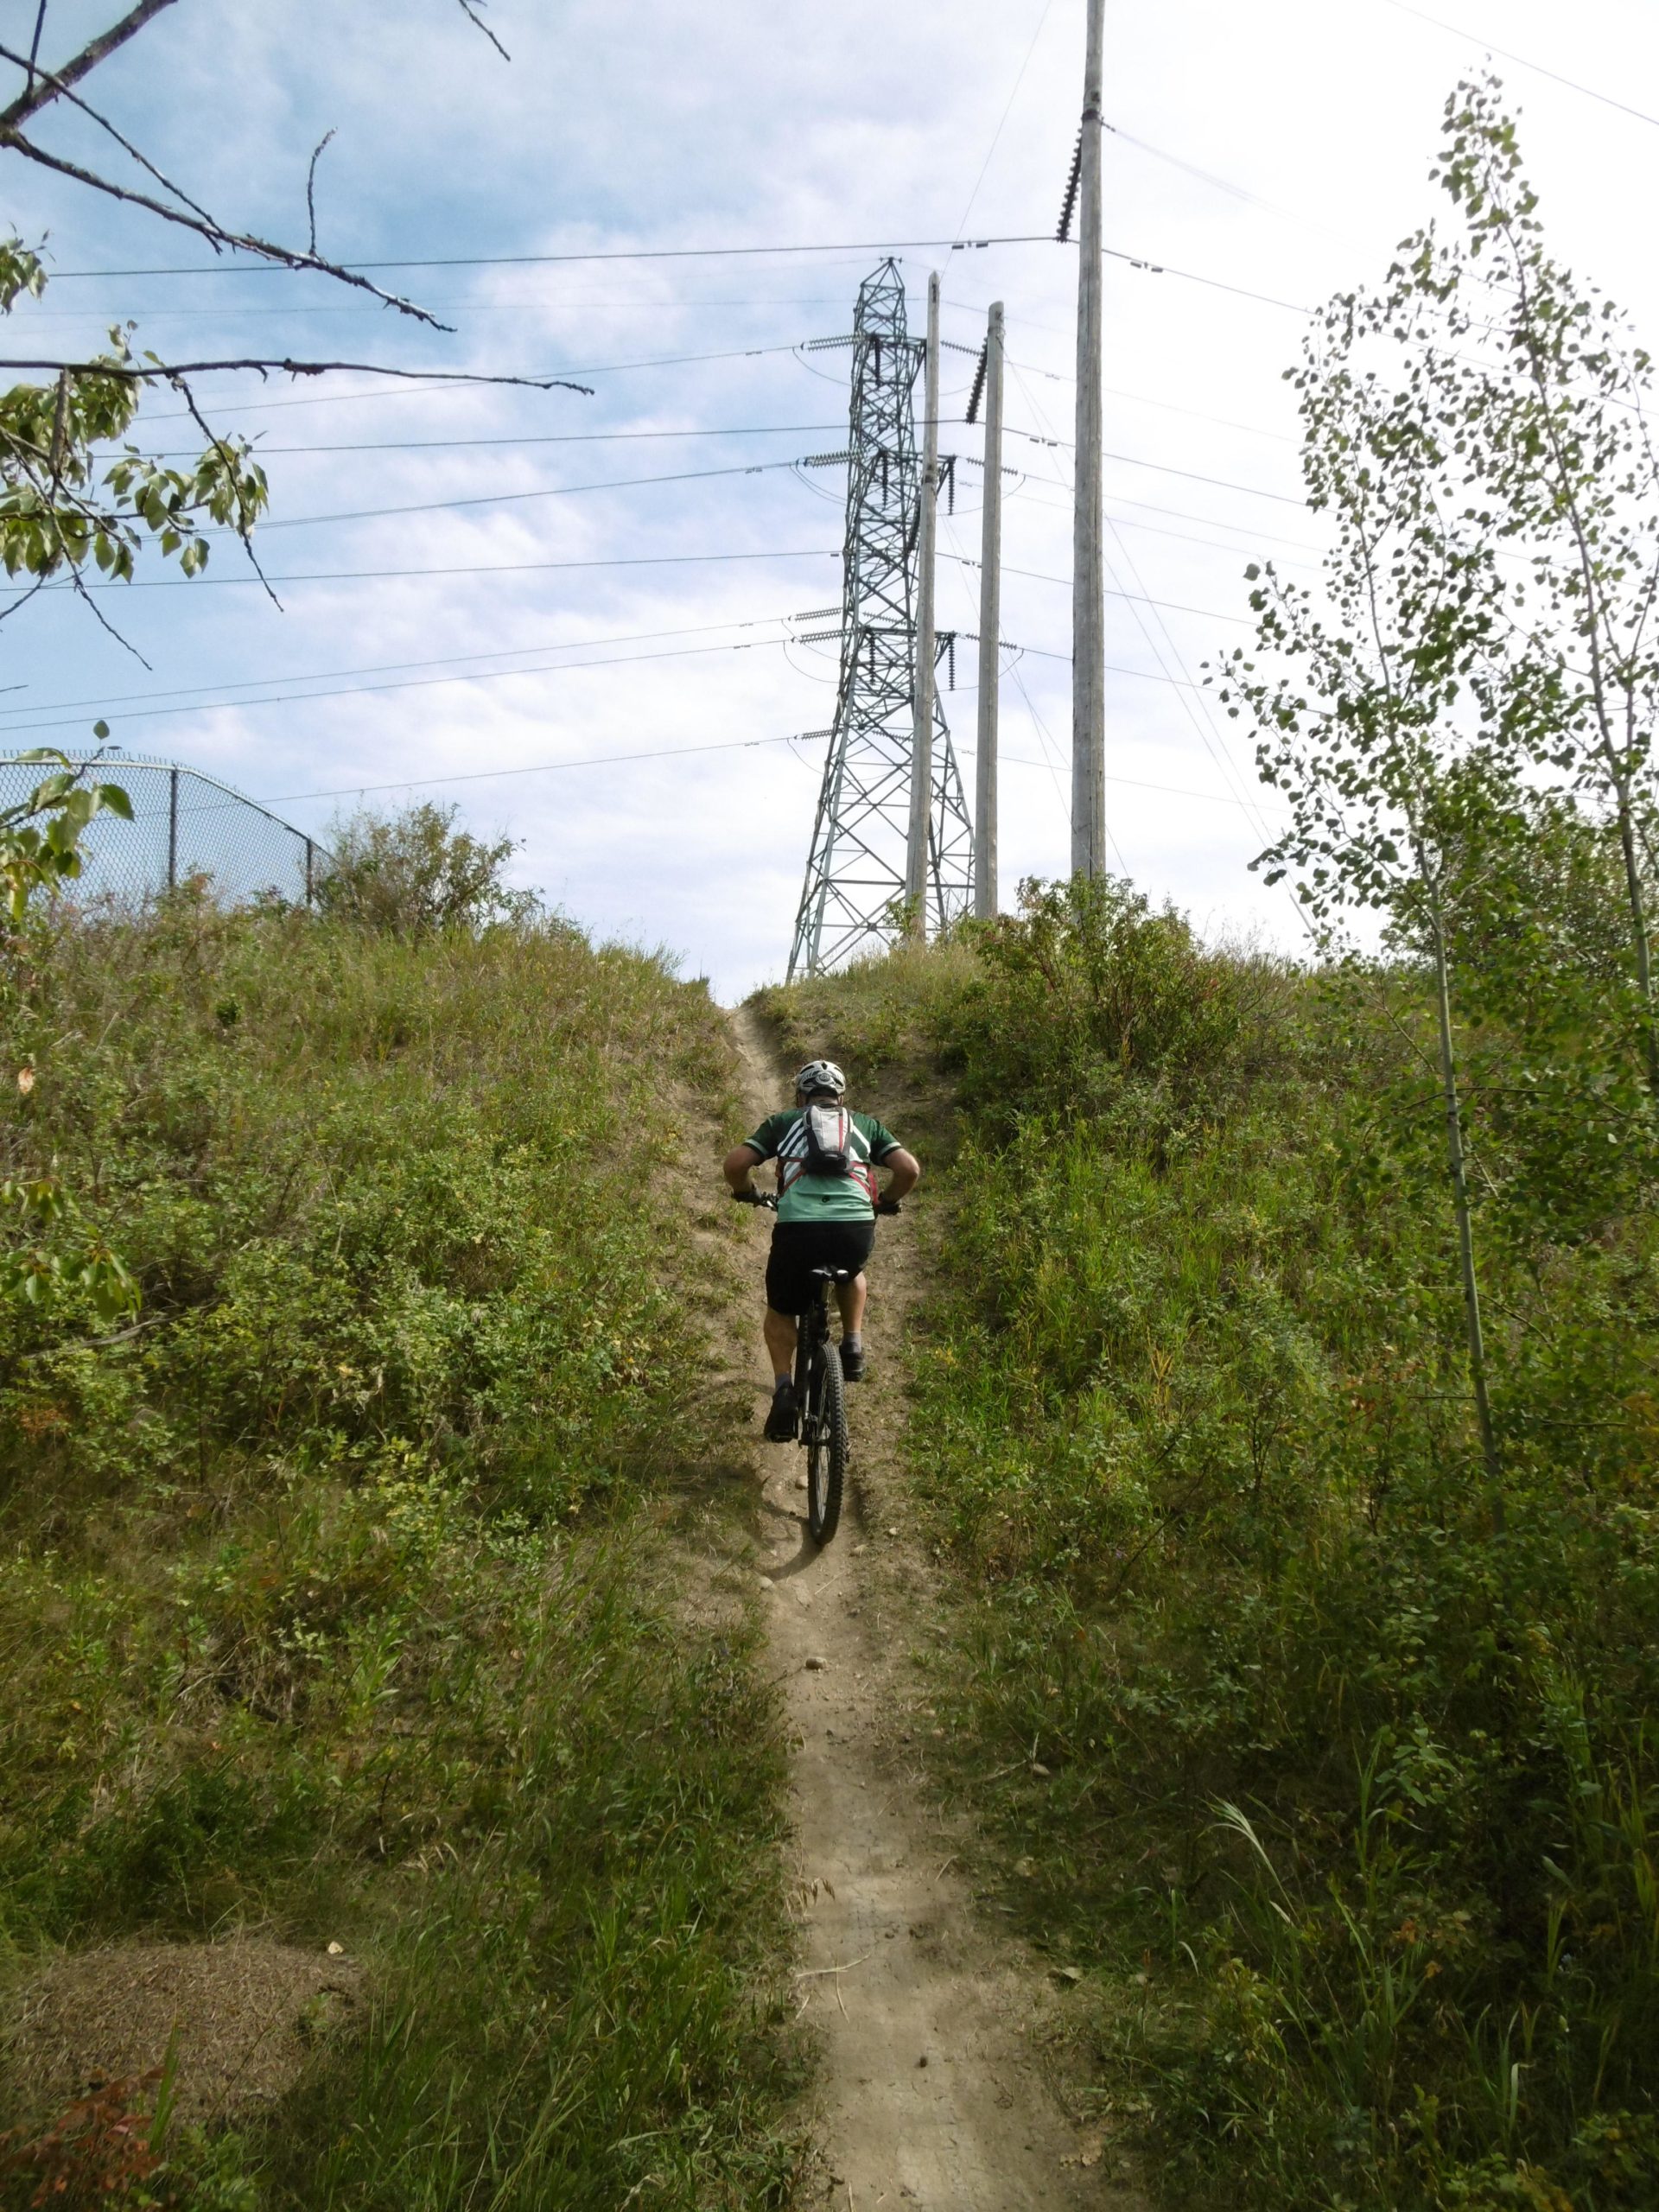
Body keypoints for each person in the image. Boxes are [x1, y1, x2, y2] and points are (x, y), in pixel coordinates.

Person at [723, 1058, 920, 1440]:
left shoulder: (784, 1122)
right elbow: (908, 1170)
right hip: (853, 1229)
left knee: (781, 1308)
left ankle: (783, 1389)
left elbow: (735, 1164)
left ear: (801, 1095)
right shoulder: (866, 1125)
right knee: (852, 1272)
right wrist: (885, 1203)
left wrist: (745, 1193)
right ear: (840, 1096)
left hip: (798, 1230)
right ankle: (852, 1346)